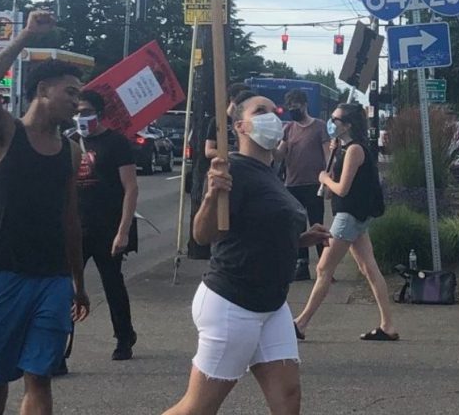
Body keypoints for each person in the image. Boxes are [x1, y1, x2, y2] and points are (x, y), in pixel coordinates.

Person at [164, 92, 331, 415]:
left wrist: (300, 239)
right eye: (261, 110)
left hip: (271, 304)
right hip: (233, 302)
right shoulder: (233, 171)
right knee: (198, 407)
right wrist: (212, 196)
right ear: (240, 126)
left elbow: (258, 231)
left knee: (288, 397)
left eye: (274, 110)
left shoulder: (269, 173)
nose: (273, 116)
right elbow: (203, 235)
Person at [0, 10, 90, 415]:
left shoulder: (70, 151)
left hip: (53, 279)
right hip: (5, 274)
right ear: (43, 90)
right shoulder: (5, 133)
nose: (77, 102)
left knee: (40, 375)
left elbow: (70, 220)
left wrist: (78, 281)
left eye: (80, 96)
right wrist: (25, 36)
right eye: (71, 93)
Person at [293, 103, 396, 342]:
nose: (331, 122)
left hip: (348, 216)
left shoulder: (355, 150)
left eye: (336, 119)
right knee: (368, 268)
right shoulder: (344, 148)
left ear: (347, 124)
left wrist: (324, 178)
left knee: (323, 268)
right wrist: (331, 160)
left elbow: (341, 188)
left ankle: (301, 322)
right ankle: (388, 324)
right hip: (354, 215)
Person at [62, 89, 139, 366]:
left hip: (107, 227)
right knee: (65, 288)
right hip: (75, 228)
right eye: (76, 113)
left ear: (98, 113)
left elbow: (130, 188)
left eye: (85, 112)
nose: (80, 117)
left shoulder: (116, 143)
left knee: (112, 284)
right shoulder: (69, 142)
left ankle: (124, 336)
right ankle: (60, 348)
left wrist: (123, 230)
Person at [276, 89, 332, 281]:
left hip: (313, 183)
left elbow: (327, 155)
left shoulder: (319, 127)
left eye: (296, 107)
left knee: (317, 224)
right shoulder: (289, 129)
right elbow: (280, 154)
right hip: (293, 184)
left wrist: (328, 181)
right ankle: (301, 266)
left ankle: (325, 267)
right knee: (297, 227)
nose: (293, 111)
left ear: (305, 105)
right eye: (290, 108)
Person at [204, 82, 248, 159]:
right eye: (242, 99)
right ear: (232, 99)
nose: (244, 103)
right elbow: (209, 151)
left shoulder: (247, 121)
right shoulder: (218, 120)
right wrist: (231, 154)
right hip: (224, 165)